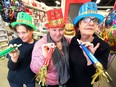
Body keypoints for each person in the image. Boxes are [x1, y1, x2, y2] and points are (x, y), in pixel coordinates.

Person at [66, 2, 110, 87]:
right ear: (79, 24)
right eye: (86, 19)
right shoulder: (75, 40)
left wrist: (91, 60)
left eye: (94, 20)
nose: (91, 23)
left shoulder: (103, 46)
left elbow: (98, 77)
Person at [30, 8, 71, 87]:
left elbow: (73, 41)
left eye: (61, 29)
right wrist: (44, 57)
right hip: (49, 83)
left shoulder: (65, 40)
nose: (58, 33)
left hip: (65, 80)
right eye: (54, 30)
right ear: (49, 29)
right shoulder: (41, 44)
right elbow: (34, 68)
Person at [7, 12, 37, 87]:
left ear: (32, 30)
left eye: (24, 32)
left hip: (30, 78)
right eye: (18, 33)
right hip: (15, 78)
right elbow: (11, 67)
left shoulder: (37, 44)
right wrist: (14, 58)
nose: (21, 36)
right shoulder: (13, 44)